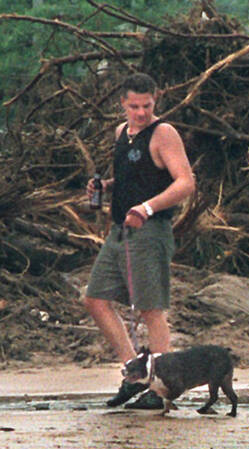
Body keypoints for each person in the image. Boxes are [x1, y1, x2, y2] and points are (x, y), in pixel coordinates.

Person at [85, 72, 196, 410]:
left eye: (146, 106)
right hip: (119, 230)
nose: (141, 113)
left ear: (155, 100)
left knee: (151, 308)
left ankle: (161, 386)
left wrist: (147, 208)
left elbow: (185, 182)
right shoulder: (122, 133)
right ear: (123, 104)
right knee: (95, 299)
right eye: (134, 107)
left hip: (150, 231)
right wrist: (106, 186)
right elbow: (136, 176)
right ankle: (135, 373)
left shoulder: (164, 133)